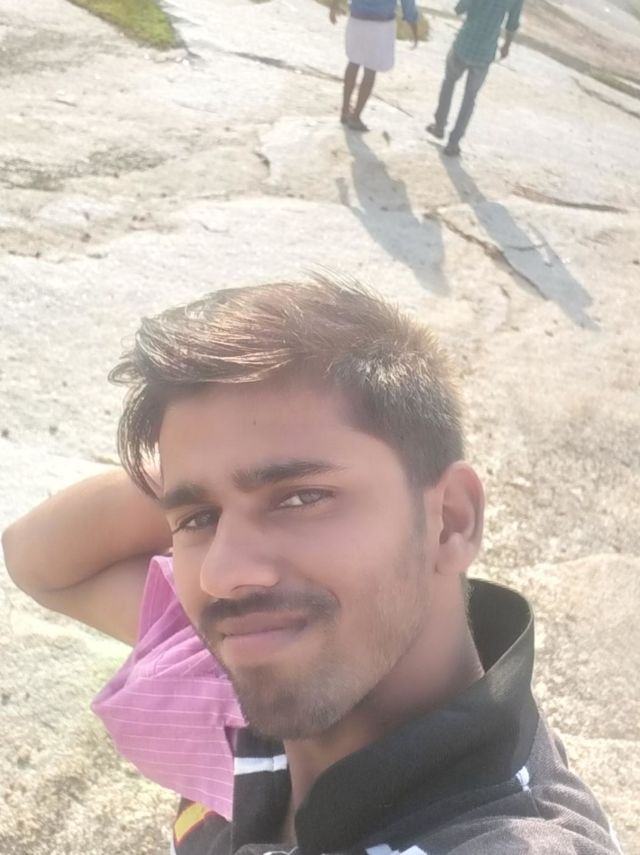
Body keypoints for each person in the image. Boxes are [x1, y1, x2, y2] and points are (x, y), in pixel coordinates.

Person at [2, 279, 620, 855]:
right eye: (196, 519)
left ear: (451, 520)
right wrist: (217, 463)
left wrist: (218, 476)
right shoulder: (259, 666)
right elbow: (37, 559)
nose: (222, 574)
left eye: (301, 498)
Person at [427, 0, 525, 156]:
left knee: (449, 83)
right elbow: (512, 23)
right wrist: (506, 45)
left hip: (463, 44)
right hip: (484, 53)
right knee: (470, 97)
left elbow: (459, 9)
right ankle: (454, 143)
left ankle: (439, 126)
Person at [330, 0, 418, 131]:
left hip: (357, 18)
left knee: (353, 62)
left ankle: (345, 110)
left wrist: (334, 6)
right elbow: (408, 3)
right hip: (380, 24)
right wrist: (413, 27)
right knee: (370, 69)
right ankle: (355, 117)